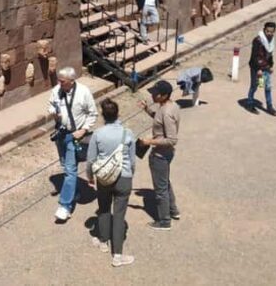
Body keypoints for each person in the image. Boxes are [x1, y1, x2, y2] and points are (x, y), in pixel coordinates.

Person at [86, 98, 136, 267]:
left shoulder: (98, 134)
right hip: (124, 177)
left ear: (102, 115)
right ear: (118, 114)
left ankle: (103, 241)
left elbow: (91, 160)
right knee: (119, 215)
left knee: (104, 208)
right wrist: (130, 175)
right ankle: (118, 256)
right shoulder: (127, 133)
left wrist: (90, 177)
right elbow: (133, 160)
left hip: (104, 178)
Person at [47, 66, 98, 221]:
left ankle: (65, 206)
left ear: (72, 81)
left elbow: (93, 113)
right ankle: (74, 191)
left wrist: (83, 130)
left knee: (69, 169)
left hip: (75, 136)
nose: (59, 83)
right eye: (59, 80)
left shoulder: (84, 92)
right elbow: (50, 104)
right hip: (61, 133)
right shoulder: (57, 90)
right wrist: (53, 112)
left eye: (62, 81)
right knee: (66, 165)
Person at [139, 80, 180, 230]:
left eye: (156, 94)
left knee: (160, 189)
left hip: (160, 155)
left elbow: (172, 139)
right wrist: (147, 109)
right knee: (165, 183)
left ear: (164, 96)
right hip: (165, 154)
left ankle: (164, 221)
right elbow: (159, 118)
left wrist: (149, 141)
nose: (153, 96)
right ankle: (173, 210)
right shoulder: (170, 106)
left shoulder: (167, 112)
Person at [246, 22, 276, 115]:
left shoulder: (271, 40)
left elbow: (270, 55)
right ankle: (250, 103)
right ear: (264, 30)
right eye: (268, 31)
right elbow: (255, 56)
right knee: (254, 86)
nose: (269, 34)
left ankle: (269, 106)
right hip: (257, 68)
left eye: (271, 32)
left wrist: (271, 66)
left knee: (267, 86)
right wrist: (258, 69)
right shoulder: (258, 40)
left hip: (266, 67)